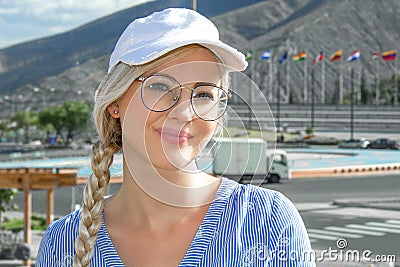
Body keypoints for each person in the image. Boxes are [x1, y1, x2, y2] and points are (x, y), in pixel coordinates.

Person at [36, 8, 315, 267]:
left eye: (204, 94)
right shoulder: (60, 244)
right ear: (115, 101)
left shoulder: (266, 222)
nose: (183, 112)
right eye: (160, 86)